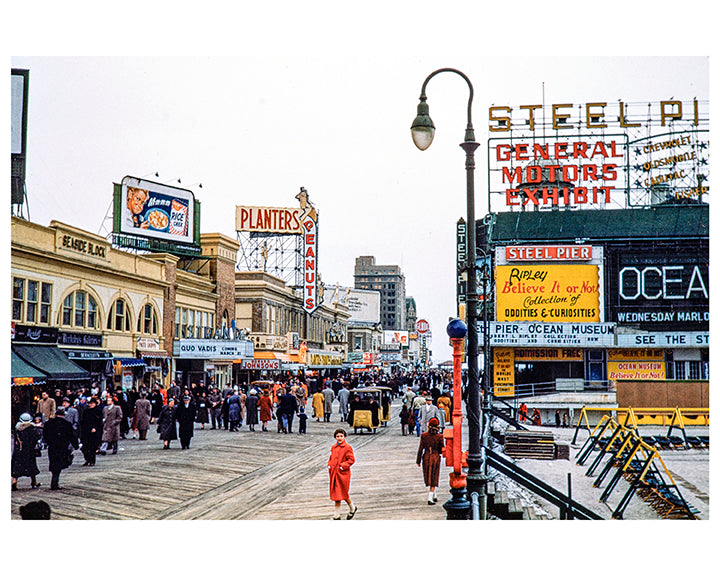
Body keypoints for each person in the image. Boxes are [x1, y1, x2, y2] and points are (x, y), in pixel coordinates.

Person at [43, 407, 79, 490]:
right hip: (62, 446)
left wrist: (48, 442)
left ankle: (54, 481)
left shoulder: (49, 423)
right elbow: (71, 436)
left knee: (53, 463)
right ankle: (55, 482)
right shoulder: (67, 424)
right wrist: (75, 445)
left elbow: (45, 435)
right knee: (59, 464)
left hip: (52, 446)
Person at [327, 429, 358, 520]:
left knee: (341, 493)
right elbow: (331, 457)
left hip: (343, 474)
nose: (339, 438)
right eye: (337, 436)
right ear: (335, 437)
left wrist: (342, 466)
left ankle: (337, 515)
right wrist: (329, 465)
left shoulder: (347, 447)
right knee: (339, 493)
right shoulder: (334, 447)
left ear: (344, 437)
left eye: (341, 436)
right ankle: (351, 508)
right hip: (334, 473)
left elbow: (351, 460)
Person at [416, 417, 444, 505]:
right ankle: (430, 497)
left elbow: (420, 448)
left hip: (426, 457)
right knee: (434, 476)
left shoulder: (424, 435)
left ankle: (434, 495)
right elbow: (441, 449)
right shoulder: (440, 436)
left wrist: (418, 460)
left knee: (429, 476)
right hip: (435, 457)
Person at [11, 412, 42, 490]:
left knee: (17, 467)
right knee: (31, 466)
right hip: (29, 451)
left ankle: (14, 482)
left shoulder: (17, 429)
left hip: (19, 450)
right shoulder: (31, 429)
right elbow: (35, 438)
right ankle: (34, 481)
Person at [79, 396, 103, 465]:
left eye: (92, 403)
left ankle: (92, 460)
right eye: (90, 403)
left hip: (94, 432)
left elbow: (99, 422)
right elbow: (82, 421)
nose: (90, 405)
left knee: (92, 447)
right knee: (85, 447)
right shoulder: (86, 411)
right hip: (86, 431)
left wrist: (95, 428)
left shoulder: (98, 411)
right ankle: (87, 459)